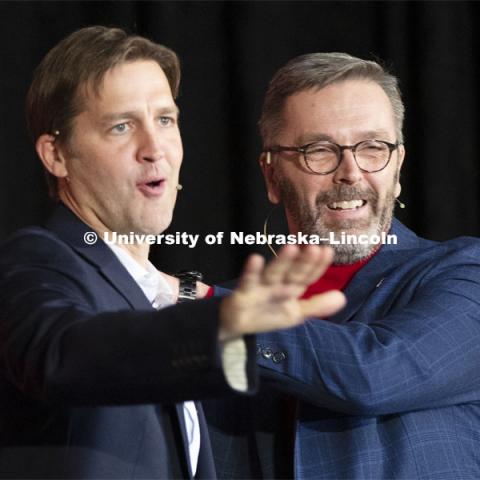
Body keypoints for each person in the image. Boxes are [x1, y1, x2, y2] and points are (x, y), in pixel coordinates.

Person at [0, 28, 346, 479]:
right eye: (121, 126)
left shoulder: (152, 291)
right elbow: (63, 352)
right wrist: (218, 323)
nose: (154, 148)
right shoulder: (38, 260)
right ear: (57, 155)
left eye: (165, 119)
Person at [205, 53, 480, 479]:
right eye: (319, 151)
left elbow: (371, 374)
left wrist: (194, 302)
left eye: (373, 148)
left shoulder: (462, 274)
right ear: (272, 176)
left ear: (399, 167)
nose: (350, 173)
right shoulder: (218, 309)